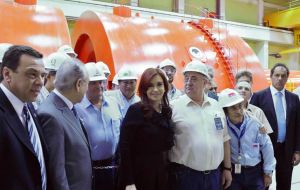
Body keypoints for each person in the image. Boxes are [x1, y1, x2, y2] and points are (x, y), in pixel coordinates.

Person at [169, 60, 232, 190]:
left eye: (194, 78)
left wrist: (227, 168)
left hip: (215, 176)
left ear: (205, 82)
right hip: (186, 176)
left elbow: (224, 139)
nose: (188, 82)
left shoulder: (216, 106)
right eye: (186, 78)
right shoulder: (173, 107)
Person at [37, 58, 92, 190]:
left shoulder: (67, 107)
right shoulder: (51, 115)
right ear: (79, 84)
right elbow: (57, 172)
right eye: (87, 84)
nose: (87, 89)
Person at [0, 45, 48, 190]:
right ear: (7, 74)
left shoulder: (29, 107)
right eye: (32, 74)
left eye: (43, 75)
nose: (40, 82)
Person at [118, 68, 174, 190]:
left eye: (159, 84)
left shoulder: (166, 111)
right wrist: (129, 181)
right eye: (150, 86)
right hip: (140, 175)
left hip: (162, 173)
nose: (155, 89)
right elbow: (124, 146)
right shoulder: (136, 110)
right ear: (144, 89)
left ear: (165, 87)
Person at [251, 63, 300, 190]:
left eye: (283, 76)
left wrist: (297, 150)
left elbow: (297, 126)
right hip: (265, 149)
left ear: (287, 78)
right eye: (277, 75)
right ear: (271, 77)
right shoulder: (259, 97)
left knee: (284, 184)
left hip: (287, 149)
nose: (280, 78)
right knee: (264, 183)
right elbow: (251, 126)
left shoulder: (294, 98)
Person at [75, 62, 122, 190]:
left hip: (114, 168)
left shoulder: (114, 104)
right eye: (93, 83)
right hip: (90, 171)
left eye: (101, 81)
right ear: (83, 84)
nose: (99, 86)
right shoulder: (76, 108)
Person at [219, 88, 276, 190]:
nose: (238, 111)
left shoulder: (255, 123)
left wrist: (268, 172)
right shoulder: (223, 126)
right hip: (234, 173)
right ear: (225, 111)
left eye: (240, 106)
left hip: (255, 172)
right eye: (233, 108)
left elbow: (267, 147)